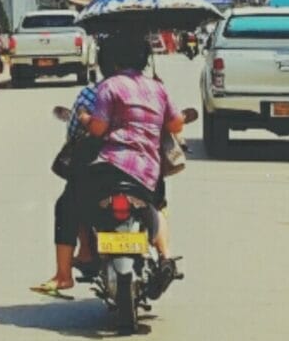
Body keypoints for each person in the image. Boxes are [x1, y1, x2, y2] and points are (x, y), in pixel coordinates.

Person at [39, 29, 185, 295]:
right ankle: (164, 257)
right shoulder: (158, 89)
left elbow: (97, 129)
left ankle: (63, 275)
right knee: (158, 203)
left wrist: (84, 119)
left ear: (112, 61)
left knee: (67, 203)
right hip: (147, 174)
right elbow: (176, 124)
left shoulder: (109, 86)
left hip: (109, 169)